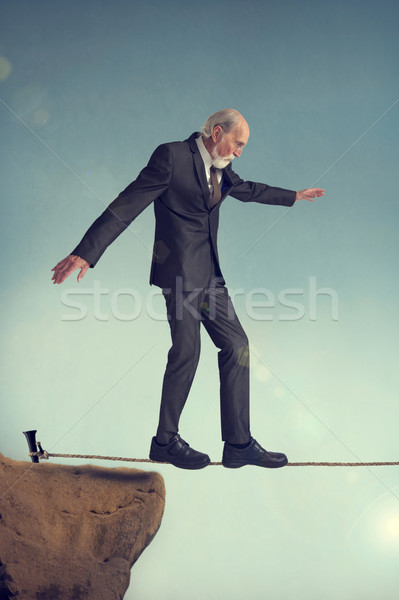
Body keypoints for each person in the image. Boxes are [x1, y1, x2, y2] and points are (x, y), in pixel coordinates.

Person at [52, 108, 324, 470]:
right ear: (216, 132)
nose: (239, 151)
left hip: (210, 277)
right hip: (179, 275)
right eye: (238, 143)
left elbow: (247, 189)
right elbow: (126, 204)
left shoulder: (222, 169)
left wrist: (294, 195)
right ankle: (165, 441)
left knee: (237, 346)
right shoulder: (172, 156)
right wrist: (86, 252)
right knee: (187, 352)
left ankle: (238, 444)